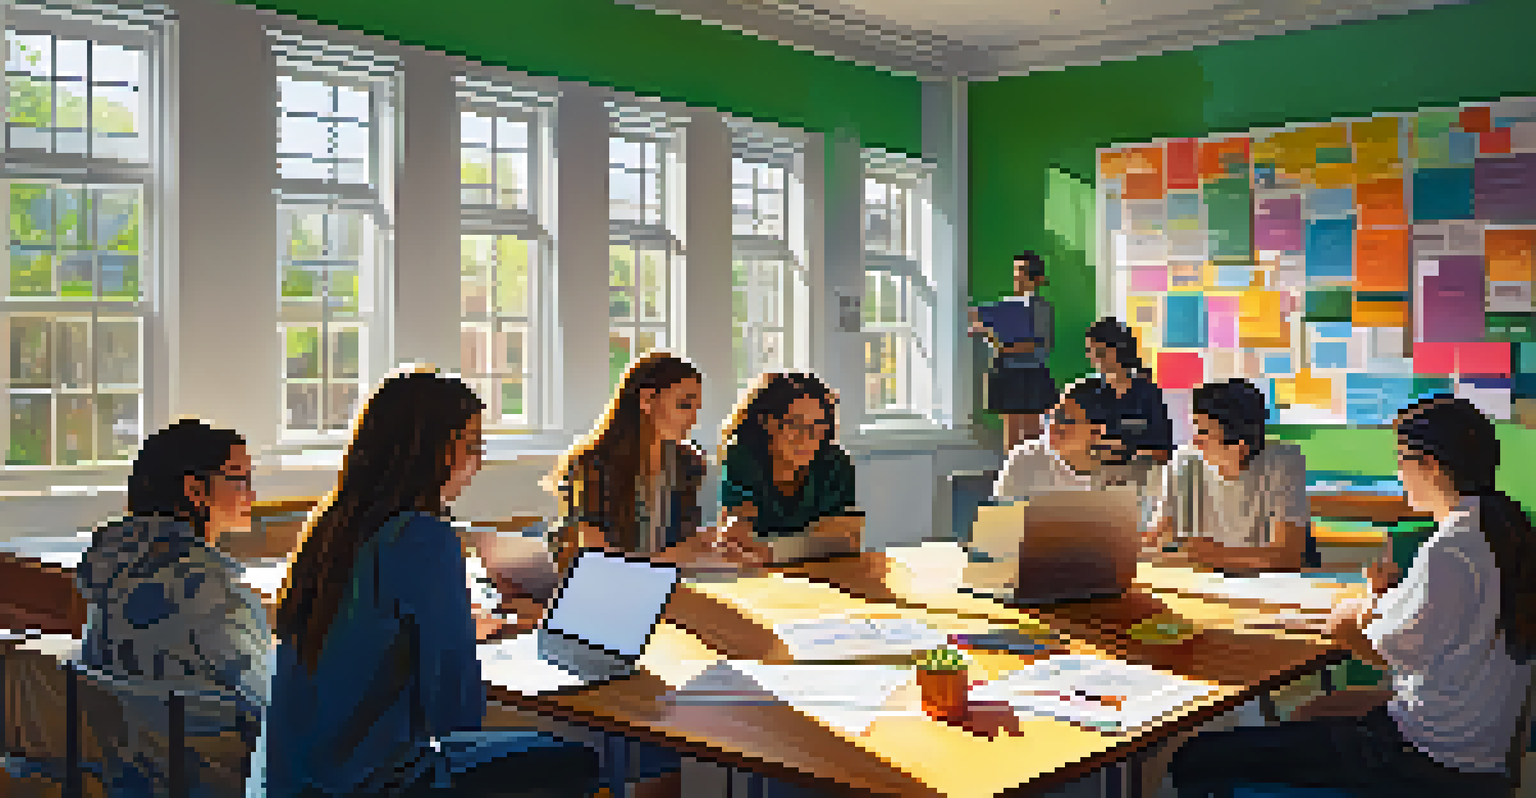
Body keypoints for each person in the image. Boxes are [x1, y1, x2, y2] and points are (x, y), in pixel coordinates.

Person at [1170, 395, 1536, 797]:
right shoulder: (1503, 526)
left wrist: (1354, 613)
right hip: (1477, 742)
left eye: (1401, 460)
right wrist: (1379, 599)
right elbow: (1430, 627)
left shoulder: (1449, 549)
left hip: (1427, 762)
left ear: (1429, 465)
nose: (1398, 473)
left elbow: (1366, 643)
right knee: (1314, 712)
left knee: (1197, 756)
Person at [267, 368, 598, 798]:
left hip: (296, 778)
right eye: (472, 446)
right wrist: (458, 639)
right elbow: (456, 714)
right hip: (374, 781)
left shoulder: (332, 528)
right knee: (581, 760)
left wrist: (451, 632)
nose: (478, 463)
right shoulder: (421, 538)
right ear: (431, 452)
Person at [546, 351, 725, 798]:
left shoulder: (688, 465)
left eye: (697, 406)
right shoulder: (593, 464)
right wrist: (674, 557)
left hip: (662, 599)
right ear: (647, 400)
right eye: (684, 404)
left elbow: (679, 549)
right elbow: (600, 566)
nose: (693, 417)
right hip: (604, 610)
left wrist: (712, 548)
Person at [65, 419, 270, 795]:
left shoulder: (109, 574)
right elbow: (269, 703)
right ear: (195, 489)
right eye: (240, 479)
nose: (252, 495)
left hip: (127, 776)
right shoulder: (209, 589)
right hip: (207, 776)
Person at [1147, 379, 1310, 572]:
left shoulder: (1283, 463)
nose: (1195, 442)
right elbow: (1153, 542)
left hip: (1263, 587)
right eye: (1195, 429)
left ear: (1240, 448)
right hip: (1201, 584)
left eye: (1204, 433)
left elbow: (1287, 556)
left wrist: (1212, 554)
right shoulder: (1184, 461)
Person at [716, 372, 860, 562]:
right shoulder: (742, 456)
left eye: (818, 426)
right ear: (767, 422)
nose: (806, 438)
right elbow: (737, 531)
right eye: (796, 424)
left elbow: (844, 542)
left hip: (824, 572)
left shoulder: (835, 463)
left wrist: (770, 551)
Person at [969, 251, 1056, 452]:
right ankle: (1013, 476)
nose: (1018, 276)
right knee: (1013, 430)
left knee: (1034, 431)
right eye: (1017, 271)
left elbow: (1038, 344)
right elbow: (974, 318)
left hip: (1031, 374)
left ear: (1038, 278)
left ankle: (1032, 476)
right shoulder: (1004, 306)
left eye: (1023, 271)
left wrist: (1001, 345)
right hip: (1007, 373)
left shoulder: (1041, 307)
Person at [990, 379, 1113, 504]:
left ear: (1096, 432)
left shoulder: (1117, 473)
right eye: (1053, 416)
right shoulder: (1025, 459)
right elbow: (999, 517)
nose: (1054, 425)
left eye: (1066, 420)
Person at [1084, 317, 1173, 476]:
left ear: (1118, 350)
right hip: (1098, 478)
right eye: (1091, 352)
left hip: (1143, 477)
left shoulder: (1148, 394)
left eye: (1100, 352)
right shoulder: (1087, 394)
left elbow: (1164, 452)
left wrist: (1126, 450)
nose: (1095, 359)